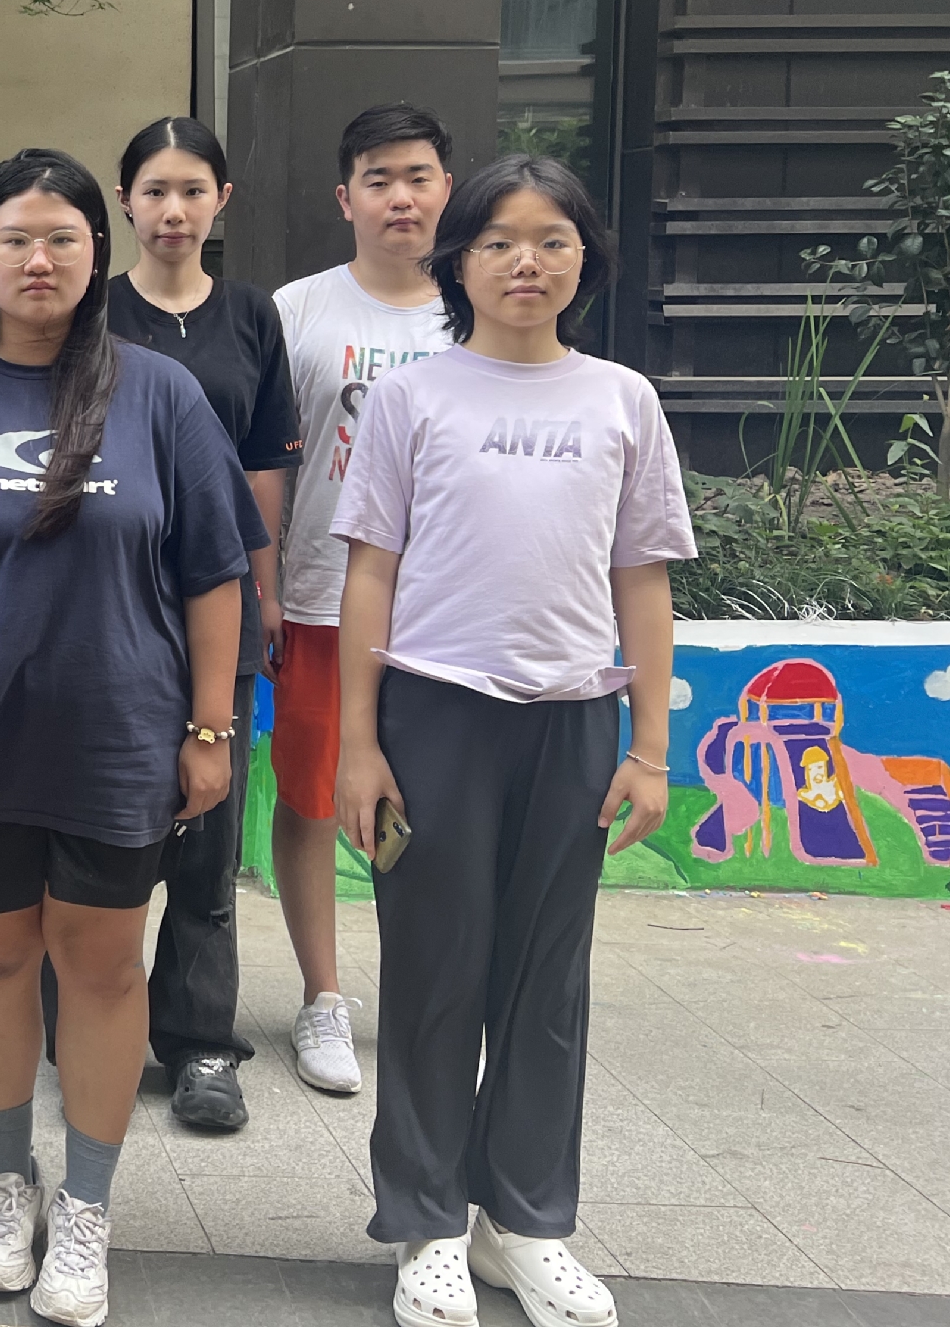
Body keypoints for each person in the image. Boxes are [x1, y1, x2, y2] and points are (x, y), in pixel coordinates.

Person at [0, 150, 265, 1327]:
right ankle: (6, 1182)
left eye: (63, 240)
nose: (39, 261)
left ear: (97, 253)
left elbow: (216, 573)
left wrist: (211, 727)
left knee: (100, 962)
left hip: (119, 737)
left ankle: (86, 1204)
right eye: (15, 240)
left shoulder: (160, 395)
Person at [332, 154, 690, 1327]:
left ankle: (524, 1224)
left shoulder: (622, 401)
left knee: (545, 988)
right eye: (497, 242)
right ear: (460, 262)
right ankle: (427, 1224)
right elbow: (369, 576)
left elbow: (642, 580)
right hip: (434, 715)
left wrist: (648, 749)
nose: (525, 263)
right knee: (434, 979)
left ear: (587, 258)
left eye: (551, 241)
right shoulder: (412, 399)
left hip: (575, 723)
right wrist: (359, 746)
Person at [101, 117, 298, 1133]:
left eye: (191, 190)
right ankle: (90, 1020)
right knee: (97, 827)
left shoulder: (252, 316)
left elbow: (263, 467)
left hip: (218, 605)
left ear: (222, 199)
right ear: (125, 202)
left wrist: (266, 590)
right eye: (154, 191)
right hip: (111, 604)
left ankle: (200, 1042)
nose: (172, 210)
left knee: (207, 835)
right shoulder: (92, 312)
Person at [270, 102, 455, 1097]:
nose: (400, 197)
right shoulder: (297, 311)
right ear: (346, 198)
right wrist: (265, 586)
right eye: (379, 179)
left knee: (434, 807)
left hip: (449, 615)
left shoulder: (477, 310)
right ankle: (323, 997)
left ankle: (427, 997)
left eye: (418, 176)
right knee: (311, 796)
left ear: (446, 190)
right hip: (321, 600)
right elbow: (269, 463)